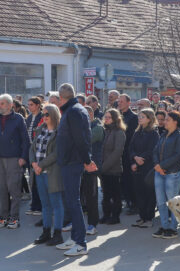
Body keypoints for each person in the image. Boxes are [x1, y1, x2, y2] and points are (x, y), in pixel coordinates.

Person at [54, 83, 98, 256]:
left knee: (74, 201)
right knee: (71, 201)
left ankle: (80, 243)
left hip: (73, 162)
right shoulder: (72, 110)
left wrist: (87, 161)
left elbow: (81, 139)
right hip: (68, 161)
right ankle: (74, 238)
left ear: (61, 97)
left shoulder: (74, 111)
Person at [0, 94, 31, 229]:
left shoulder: (18, 119)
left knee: (14, 188)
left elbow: (26, 140)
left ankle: (14, 218)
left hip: (14, 158)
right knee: (1, 189)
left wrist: (23, 157)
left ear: (9, 105)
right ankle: (3, 217)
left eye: (2, 103)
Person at [30, 104, 65, 246]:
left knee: (56, 204)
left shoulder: (60, 132)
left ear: (54, 115)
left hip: (52, 172)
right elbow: (31, 148)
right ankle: (46, 232)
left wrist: (40, 165)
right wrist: (33, 164)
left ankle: (58, 234)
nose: (43, 117)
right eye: (43, 114)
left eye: (46, 114)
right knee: (45, 204)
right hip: (39, 172)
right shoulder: (40, 130)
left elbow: (56, 154)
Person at [152, 110, 180, 239]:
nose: (164, 121)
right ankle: (164, 226)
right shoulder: (163, 134)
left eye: (167, 119)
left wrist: (161, 166)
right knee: (161, 202)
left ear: (175, 122)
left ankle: (173, 227)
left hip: (172, 174)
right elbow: (155, 151)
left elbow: (178, 156)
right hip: (159, 173)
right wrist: (157, 165)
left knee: (174, 203)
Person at [129, 108, 159, 229]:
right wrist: (134, 158)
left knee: (149, 193)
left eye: (142, 117)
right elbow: (130, 148)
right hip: (137, 166)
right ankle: (142, 217)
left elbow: (152, 150)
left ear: (149, 119)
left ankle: (149, 218)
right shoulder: (137, 132)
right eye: (139, 116)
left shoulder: (153, 133)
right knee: (139, 192)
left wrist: (141, 159)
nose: (140, 118)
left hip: (148, 167)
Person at [99, 109, 126, 225]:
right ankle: (106, 215)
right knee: (106, 194)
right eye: (106, 117)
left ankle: (115, 216)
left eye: (109, 117)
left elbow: (117, 152)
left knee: (115, 195)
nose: (106, 119)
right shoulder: (106, 131)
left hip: (113, 169)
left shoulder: (119, 132)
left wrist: (104, 167)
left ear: (115, 119)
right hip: (104, 168)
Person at [83, 105, 103, 234]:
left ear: (91, 114)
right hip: (78, 165)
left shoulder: (97, 127)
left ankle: (92, 224)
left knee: (91, 196)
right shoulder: (80, 127)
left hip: (91, 165)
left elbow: (86, 141)